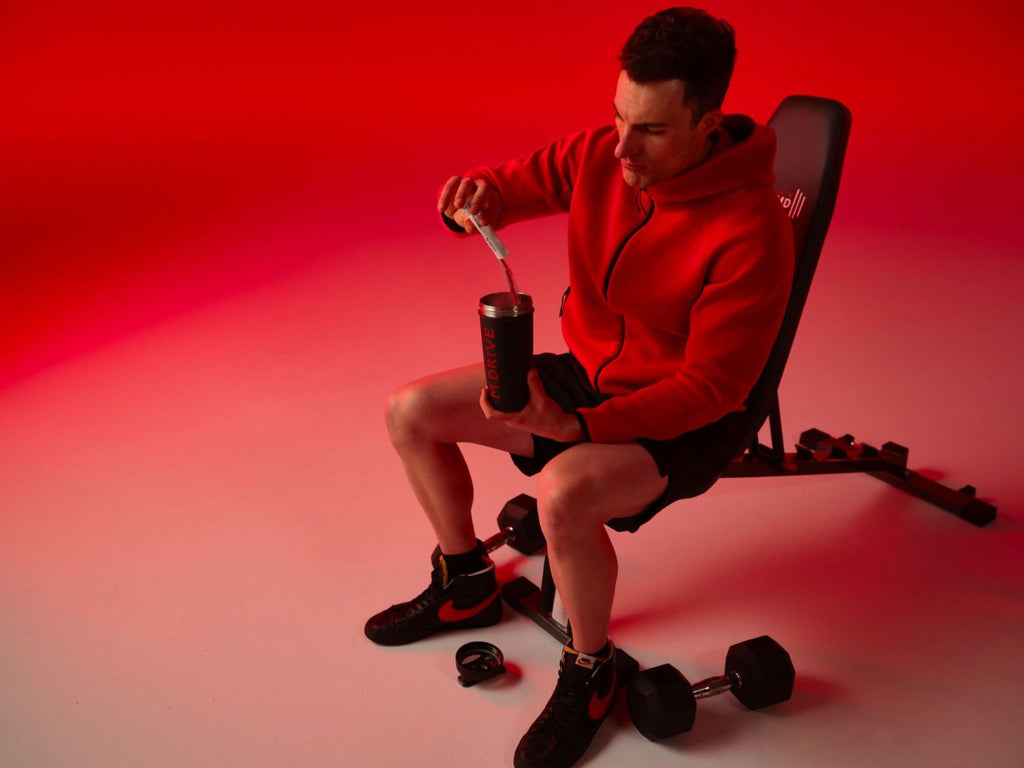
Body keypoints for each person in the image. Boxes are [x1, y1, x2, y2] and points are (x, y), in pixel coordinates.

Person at [364, 7, 794, 767]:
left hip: (683, 418)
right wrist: (473, 201)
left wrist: (579, 430)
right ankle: (466, 580)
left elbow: (714, 387)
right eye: (619, 116)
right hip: (587, 379)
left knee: (563, 494)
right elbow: (509, 186)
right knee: (412, 411)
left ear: (707, 123)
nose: (622, 146)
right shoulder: (603, 154)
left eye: (652, 131)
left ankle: (590, 671)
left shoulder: (751, 229)